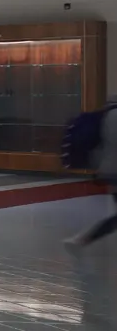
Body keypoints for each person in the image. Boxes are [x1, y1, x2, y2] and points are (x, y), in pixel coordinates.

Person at [65, 98, 117, 248]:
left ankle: (83, 239)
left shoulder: (108, 115)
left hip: (110, 170)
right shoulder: (114, 116)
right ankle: (83, 239)